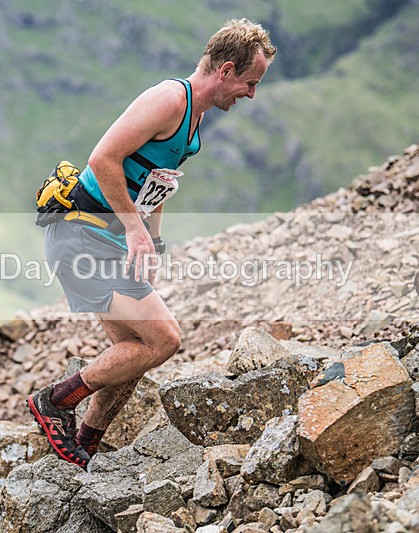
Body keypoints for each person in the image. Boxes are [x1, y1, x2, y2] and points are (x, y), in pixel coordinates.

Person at [28, 18, 276, 468]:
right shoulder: (168, 99)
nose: (251, 94)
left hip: (109, 242)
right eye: (249, 82)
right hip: (80, 235)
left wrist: (152, 243)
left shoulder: (195, 117)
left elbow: (158, 180)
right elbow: (103, 159)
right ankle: (55, 401)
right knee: (165, 339)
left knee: (135, 354)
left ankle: (85, 446)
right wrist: (135, 230)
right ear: (225, 70)